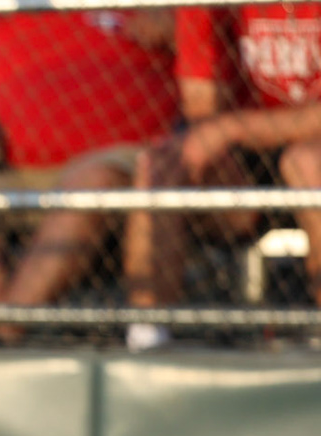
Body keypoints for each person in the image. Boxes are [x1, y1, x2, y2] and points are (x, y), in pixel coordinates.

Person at [0, 10, 179, 320]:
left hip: (115, 160)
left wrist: (177, 31)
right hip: (3, 169)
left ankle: (5, 329)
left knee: (94, 181)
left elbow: (213, 57)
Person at [125, 2, 321, 347]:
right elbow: (203, 108)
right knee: (161, 164)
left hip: (302, 146)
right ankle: (147, 335)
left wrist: (230, 128)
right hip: (249, 150)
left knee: (307, 161)